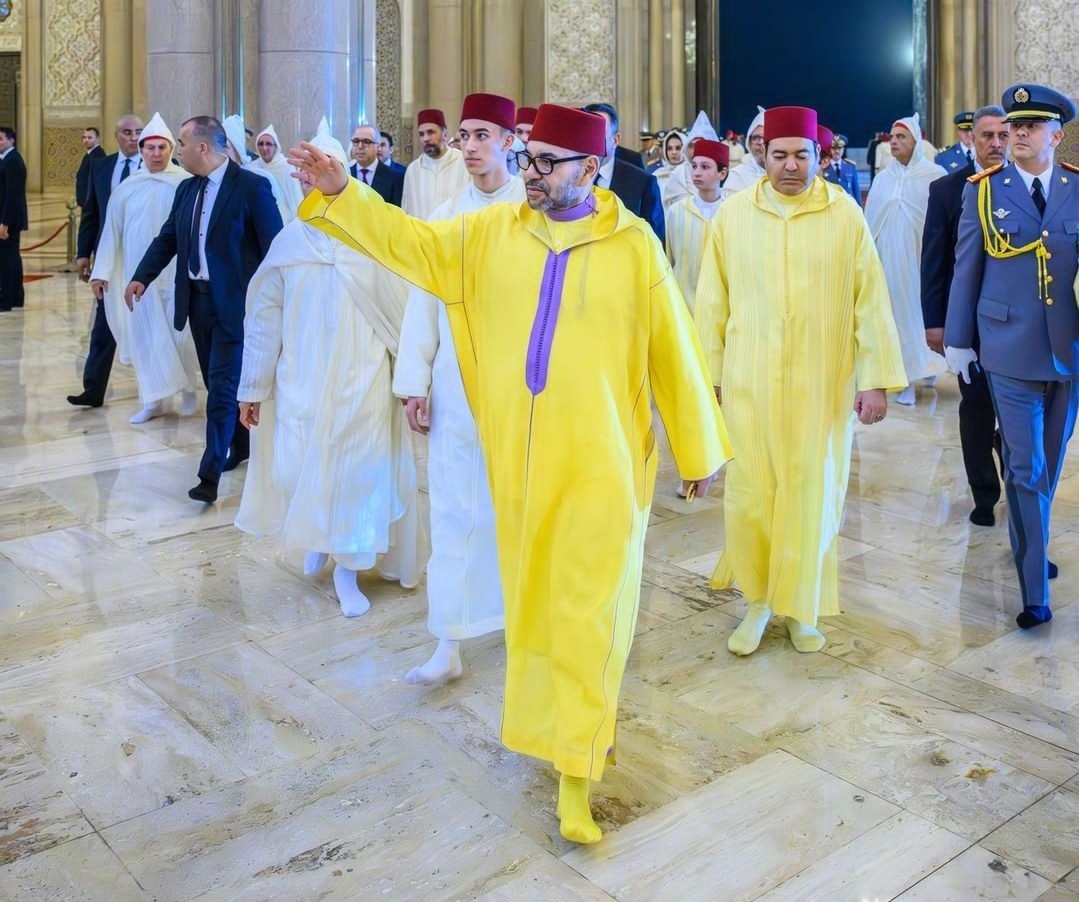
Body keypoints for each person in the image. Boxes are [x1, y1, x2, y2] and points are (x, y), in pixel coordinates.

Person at [289, 102, 729, 845]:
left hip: (603, 464)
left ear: (591, 168)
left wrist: (696, 449)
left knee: (590, 611)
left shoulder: (633, 246)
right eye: (527, 159)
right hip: (518, 465)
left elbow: (673, 349)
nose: (529, 173)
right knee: (534, 611)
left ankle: (576, 772)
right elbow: (408, 245)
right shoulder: (488, 234)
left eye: (546, 163)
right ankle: (558, 735)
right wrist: (341, 194)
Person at [696, 105, 905, 657]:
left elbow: (871, 301)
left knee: (814, 493)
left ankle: (801, 606)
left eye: (802, 154)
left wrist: (875, 379)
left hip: (823, 381)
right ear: (762, 154)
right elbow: (711, 305)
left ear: (820, 156)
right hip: (748, 381)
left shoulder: (845, 215)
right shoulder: (735, 216)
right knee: (751, 495)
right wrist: (708, 380)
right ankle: (759, 603)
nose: (791, 164)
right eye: (780, 153)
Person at [237, 122, 418, 617]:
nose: (311, 183)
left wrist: (413, 382)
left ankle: (347, 566)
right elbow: (263, 318)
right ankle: (317, 533)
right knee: (297, 463)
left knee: (357, 473)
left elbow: (403, 311)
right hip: (301, 378)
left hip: (363, 378)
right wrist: (252, 386)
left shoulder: (375, 237)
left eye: (323, 172)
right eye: (306, 175)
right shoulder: (290, 242)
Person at [393, 92, 524, 685]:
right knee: (450, 505)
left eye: (480, 135)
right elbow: (423, 302)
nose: (468, 146)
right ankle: (447, 641)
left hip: (526, 384)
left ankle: (523, 623)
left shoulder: (536, 208)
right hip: (453, 382)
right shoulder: (445, 217)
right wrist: (413, 381)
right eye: (463, 136)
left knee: (519, 503)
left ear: (509, 140)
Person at [945, 84, 1079, 629]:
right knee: (1024, 468)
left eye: (1032, 125)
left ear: (1057, 134)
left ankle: (1033, 539)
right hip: (1007, 350)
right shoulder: (983, 191)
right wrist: (957, 341)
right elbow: (966, 269)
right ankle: (1032, 593)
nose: (1018, 133)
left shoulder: (1076, 188)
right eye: (1014, 125)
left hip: (1069, 353)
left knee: (1048, 467)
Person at [125, 116, 282, 503]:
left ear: (204, 148)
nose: (176, 150)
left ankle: (209, 473)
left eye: (180, 143)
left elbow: (275, 248)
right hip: (196, 302)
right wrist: (140, 276)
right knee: (217, 383)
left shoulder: (252, 188)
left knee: (223, 388)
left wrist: (273, 302)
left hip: (236, 305)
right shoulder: (186, 190)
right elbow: (168, 239)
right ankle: (241, 446)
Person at [921, 104, 1009, 526]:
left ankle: (1018, 483)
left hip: (1016, 327)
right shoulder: (946, 190)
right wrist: (935, 322)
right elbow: (934, 263)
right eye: (987, 135)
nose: (995, 143)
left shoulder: (1023, 185)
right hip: (968, 324)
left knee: (1015, 413)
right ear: (970, 138)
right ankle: (984, 496)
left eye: (1003, 135)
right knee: (975, 410)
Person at [89, 113, 200, 424]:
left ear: (170, 150)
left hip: (177, 274)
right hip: (139, 278)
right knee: (147, 337)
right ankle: (153, 400)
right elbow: (112, 231)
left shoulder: (186, 184)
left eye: (161, 148)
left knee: (182, 336)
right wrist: (101, 271)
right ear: (141, 150)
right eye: (149, 148)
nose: (155, 154)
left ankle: (189, 389)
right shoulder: (127, 188)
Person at [865, 112, 946, 405]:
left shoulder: (934, 176)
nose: (894, 142)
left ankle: (927, 367)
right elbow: (871, 221)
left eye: (901, 137)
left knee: (920, 315)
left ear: (916, 142)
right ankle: (904, 379)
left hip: (921, 263)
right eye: (892, 137)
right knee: (896, 318)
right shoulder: (884, 178)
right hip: (889, 263)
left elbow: (941, 224)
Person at [68, 114, 143, 406]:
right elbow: (91, 213)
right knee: (104, 323)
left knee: (151, 324)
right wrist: (83, 254)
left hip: (143, 260)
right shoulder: (101, 167)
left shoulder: (155, 168)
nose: (133, 137)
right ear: (116, 135)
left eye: (138, 132)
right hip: (109, 259)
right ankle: (93, 389)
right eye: (127, 132)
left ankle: (158, 390)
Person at [583, 101, 665, 243]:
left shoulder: (642, 183)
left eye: (598, 133)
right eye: (587, 132)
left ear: (616, 140)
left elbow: (654, 240)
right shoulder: (567, 176)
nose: (590, 140)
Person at [665, 137, 728, 313]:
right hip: (682, 306)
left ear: (722, 173)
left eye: (705, 167)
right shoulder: (677, 211)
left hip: (722, 306)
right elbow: (670, 258)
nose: (697, 172)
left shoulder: (731, 212)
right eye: (694, 166)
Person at [402, 109, 470, 218]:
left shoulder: (465, 163)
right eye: (421, 134)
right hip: (423, 233)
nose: (426, 139)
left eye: (431, 132)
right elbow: (407, 210)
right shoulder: (413, 170)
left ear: (445, 134)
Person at [0, 127, 27, 312]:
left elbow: (12, 195)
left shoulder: (13, 162)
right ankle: (16, 296)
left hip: (8, 219)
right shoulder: (8, 160)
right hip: (7, 217)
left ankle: (7, 299)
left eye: (0, 139)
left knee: (7, 259)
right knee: (11, 258)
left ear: (11, 140)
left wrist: (5, 222)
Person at [349, 123, 405, 206]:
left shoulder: (394, 176)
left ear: (378, 146)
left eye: (366, 141)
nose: (360, 146)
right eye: (356, 141)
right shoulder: (346, 173)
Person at [255, 124, 303, 220]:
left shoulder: (287, 167)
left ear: (276, 147)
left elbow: (295, 198)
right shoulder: (253, 167)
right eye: (261, 144)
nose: (264, 148)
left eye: (268, 144)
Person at [723, 106, 766, 194]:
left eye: (766, 138)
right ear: (749, 143)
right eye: (756, 137)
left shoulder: (786, 173)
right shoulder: (737, 175)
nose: (761, 142)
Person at [75, 127, 107, 209]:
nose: (86, 140)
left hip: (91, 203)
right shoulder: (89, 155)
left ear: (97, 139)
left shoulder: (98, 156)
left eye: (90, 138)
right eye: (84, 137)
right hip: (86, 202)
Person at [825, 132, 861, 203]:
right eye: (834, 148)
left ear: (843, 149)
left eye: (839, 148)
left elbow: (856, 190)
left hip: (848, 206)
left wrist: (859, 208)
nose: (837, 151)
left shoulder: (850, 166)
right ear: (829, 149)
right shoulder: (823, 167)